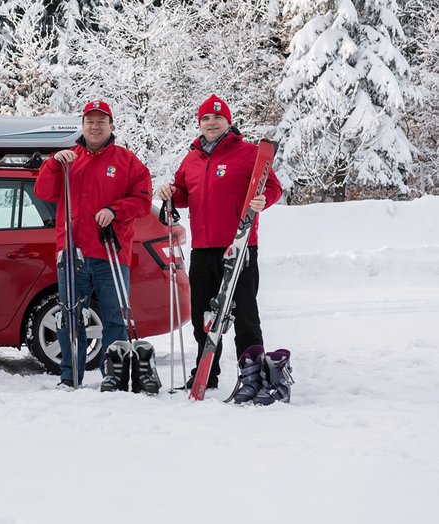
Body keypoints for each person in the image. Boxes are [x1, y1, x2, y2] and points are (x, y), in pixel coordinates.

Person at [156, 94, 282, 389]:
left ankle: (252, 373)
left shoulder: (248, 153)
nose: (211, 123)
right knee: (203, 314)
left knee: (246, 315)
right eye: (206, 119)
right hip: (203, 249)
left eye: (217, 118)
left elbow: (273, 185)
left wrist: (266, 199)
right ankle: (206, 373)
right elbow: (184, 195)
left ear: (229, 122)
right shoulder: (191, 158)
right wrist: (170, 192)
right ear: (200, 124)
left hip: (239, 246)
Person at [34, 100, 152, 389]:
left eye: (101, 122)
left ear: (111, 126)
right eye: (90, 121)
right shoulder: (67, 160)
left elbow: (143, 200)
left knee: (115, 317)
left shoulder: (127, 161)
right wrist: (51, 164)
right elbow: (43, 191)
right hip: (72, 253)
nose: (95, 127)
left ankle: (113, 373)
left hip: (112, 252)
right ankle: (70, 374)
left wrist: (115, 210)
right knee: (69, 314)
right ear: (83, 126)